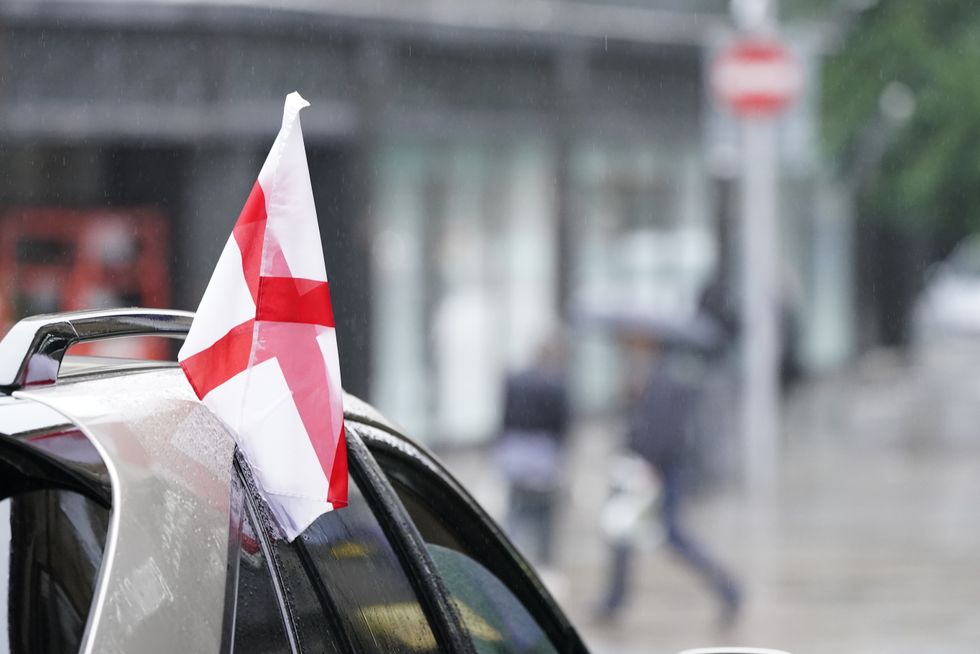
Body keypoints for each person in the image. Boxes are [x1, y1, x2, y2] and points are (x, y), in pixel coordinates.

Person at [599, 332, 742, 627]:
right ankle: (613, 602)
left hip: (656, 474)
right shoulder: (650, 380)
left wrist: (651, 466)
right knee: (624, 535)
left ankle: (728, 587)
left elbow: (662, 434)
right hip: (648, 471)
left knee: (671, 537)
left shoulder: (663, 382)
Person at [495, 340, 569, 566]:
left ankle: (507, 555)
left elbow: (505, 415)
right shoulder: (556, 385)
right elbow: (561, 424)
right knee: (544, 511)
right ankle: (543, 561)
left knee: (516, 506)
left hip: (515, 449)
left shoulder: (515, 380)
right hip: (542, 453)